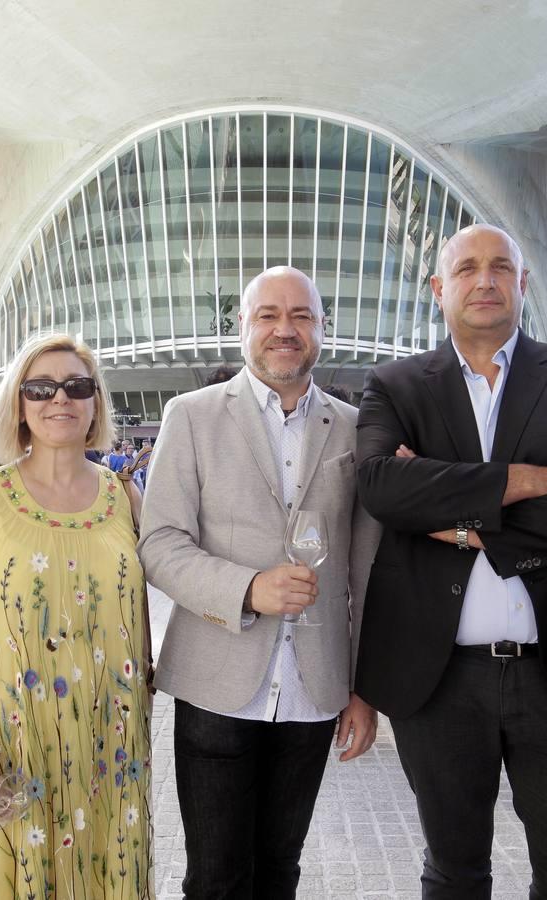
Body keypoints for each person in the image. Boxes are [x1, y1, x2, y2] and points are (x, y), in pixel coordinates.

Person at [353, 224, 547, 898]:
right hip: (441, 680)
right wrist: (536, 479)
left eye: (501, 267)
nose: (485, 281)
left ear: (523, 283)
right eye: (468, 268)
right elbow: (382, 489)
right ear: (439, 288)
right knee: (454, 870)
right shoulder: (396, 386)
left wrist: (457, 521)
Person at [138, 266, 381, 898]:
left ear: (322, 330)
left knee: (280, 872)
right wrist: (248, 589)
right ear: (242, 327)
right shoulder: (188, 416)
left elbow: (366, 571)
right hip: (217, 683)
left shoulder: (356, 429)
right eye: (268, 315)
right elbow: (160, 545)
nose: (285, 329)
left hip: (314, 686)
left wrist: (365, 689)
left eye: (301, 316)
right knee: (216, 878)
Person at [0, 332, 153, 898]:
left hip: (108, 744)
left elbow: (144, 604)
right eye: (40, 388)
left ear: (95, 401)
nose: (60, 399)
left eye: (77, 386)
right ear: (18, 405)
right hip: (10, 738)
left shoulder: (123, 496)